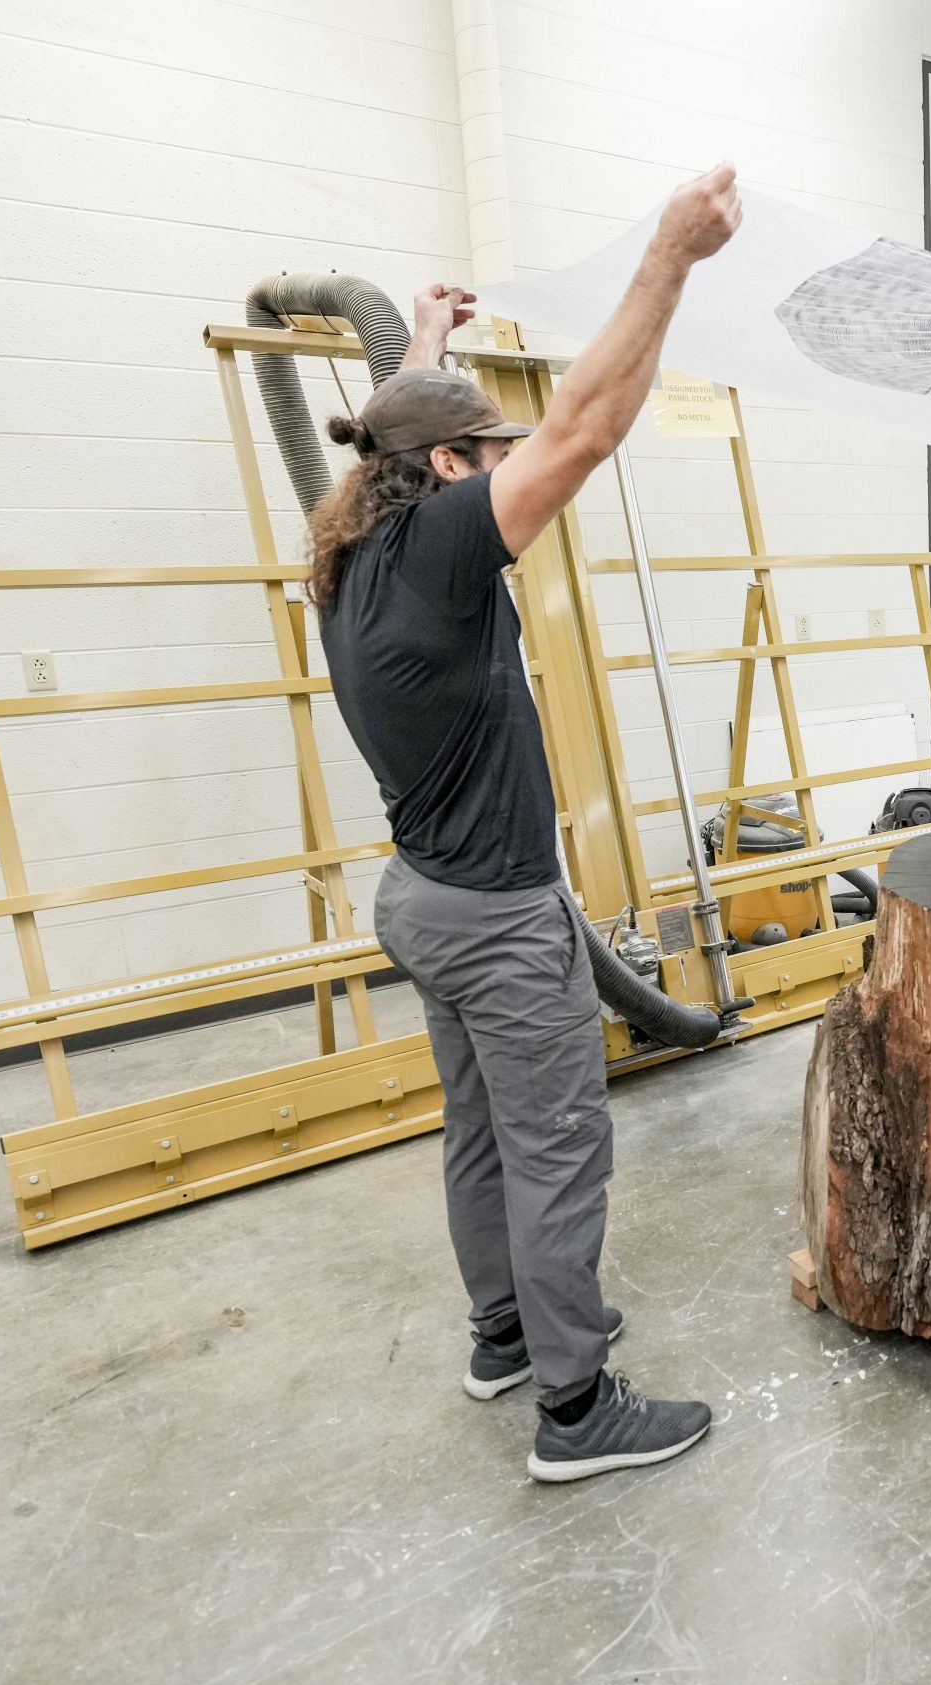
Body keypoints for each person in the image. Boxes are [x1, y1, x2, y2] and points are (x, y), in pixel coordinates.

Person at [307, 164, 743, 1483]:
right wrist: (669, 252)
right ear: (445, 471)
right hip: (496, 916)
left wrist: (428, 338)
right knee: (559, 1146)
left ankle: (504, 1335)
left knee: (482, 1132)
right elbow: (589, 431)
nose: (508, 468)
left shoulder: (353, 553)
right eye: (484, 452)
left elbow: (401, 430)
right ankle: (574, 1405)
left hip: (421, 896)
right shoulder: (444, 545)